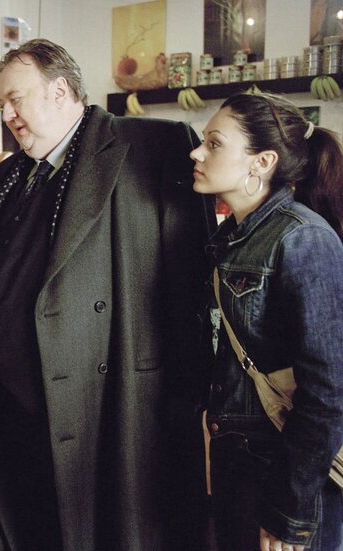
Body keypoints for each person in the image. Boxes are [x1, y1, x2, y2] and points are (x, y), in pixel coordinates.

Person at [0, 39, 216, 550]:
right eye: (2, 104)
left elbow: (191, 284)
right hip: (15, 414)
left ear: (60, 91)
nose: (7, 114)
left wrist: (185, 396)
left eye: (17, 99)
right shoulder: (4, 177)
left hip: (107, 405)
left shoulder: (152, 147)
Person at [192, 92, 343, 551]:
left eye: (214, 144)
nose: (197, 153)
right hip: (242, 461)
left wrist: (292, 509)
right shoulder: (233, 236)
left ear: (262, 162)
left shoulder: (303, 239)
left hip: (288, 476)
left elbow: (330, 390)